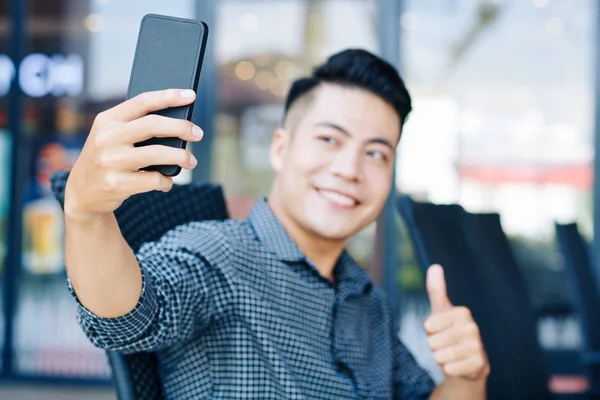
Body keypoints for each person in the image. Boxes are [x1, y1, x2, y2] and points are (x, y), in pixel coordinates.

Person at [64, 49, 489, 399]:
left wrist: (467, 377)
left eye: (376, 154)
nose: (350, 169)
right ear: (281, 149)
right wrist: (86, 214)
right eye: (329, 140)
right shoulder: (220, 255)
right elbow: (127, 316)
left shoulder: (367, 299)